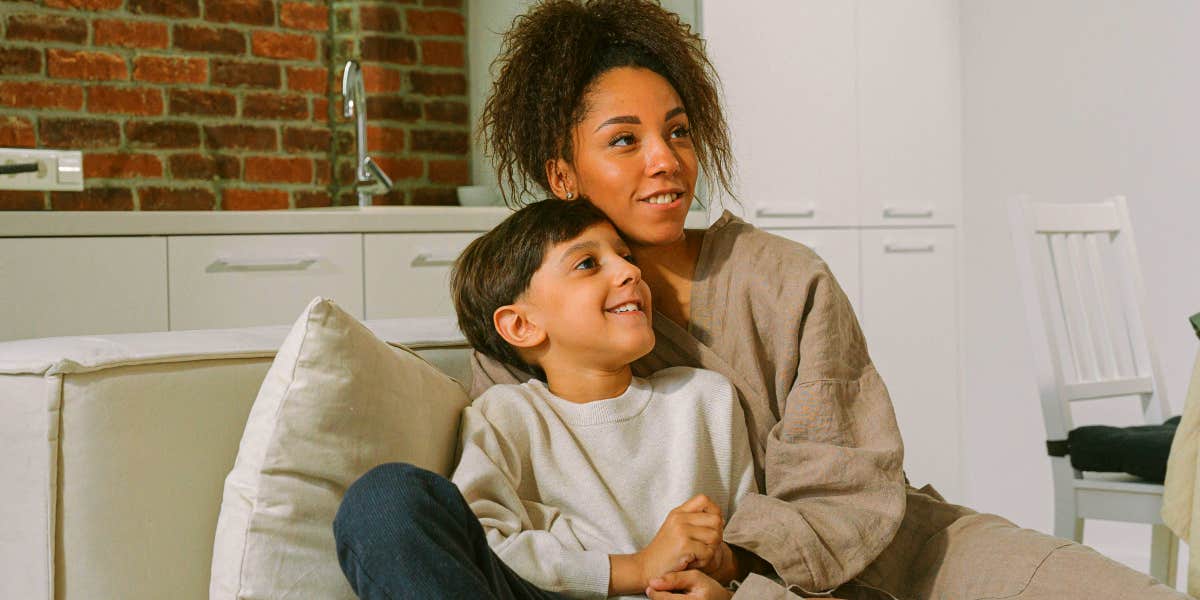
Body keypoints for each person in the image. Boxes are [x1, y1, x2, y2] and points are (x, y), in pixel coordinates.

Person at [462, 0, 1187, 598]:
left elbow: (846, 488)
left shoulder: (784, 278)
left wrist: (734, 561)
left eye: (678, 131)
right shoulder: (526, 327)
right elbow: (536, 523)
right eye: (624, 140)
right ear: (563, 175)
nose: (666, 159)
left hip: (897, 554)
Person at [334, 199, 764, 600]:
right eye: (587, 263)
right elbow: (481, 546)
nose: (631, 272)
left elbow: (748, 549)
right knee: (382, 500)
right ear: (521, 326)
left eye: (626, 257)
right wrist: (635, 567)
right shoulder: (507, 415)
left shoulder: (706, 399)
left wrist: (724, 576)